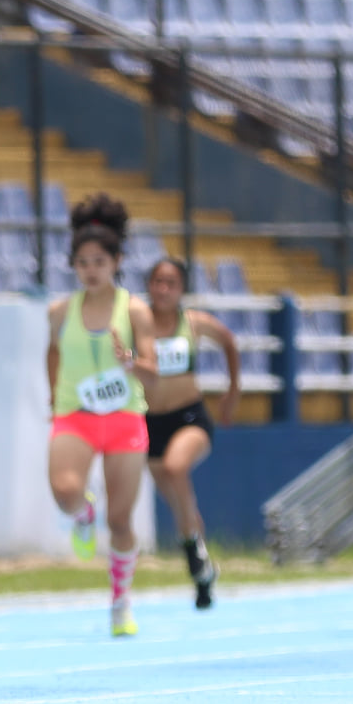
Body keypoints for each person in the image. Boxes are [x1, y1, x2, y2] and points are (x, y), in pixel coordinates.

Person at [46, 195, 158, 637]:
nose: (90, 269)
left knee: (122, 521)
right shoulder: (59, 312)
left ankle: (121, 603)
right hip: (76, 413)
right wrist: (55, 399)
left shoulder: (134, 311)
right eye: (82, 262)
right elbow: (51, 352)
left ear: (117, 262)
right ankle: (82, 513)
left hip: (125, 417)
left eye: (99, 261)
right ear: (74, 266)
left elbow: (152, 371)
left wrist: (129, 359)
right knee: (64, 491)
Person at [140, 257, 240, 609]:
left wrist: (231, 392)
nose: (163, 290)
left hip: (189, 418)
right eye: (157, 282)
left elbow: (229, 341)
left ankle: (192, 552)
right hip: (150, 422)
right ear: (149, 285)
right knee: (181, 506)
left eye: (171, 283)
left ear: (181, 288)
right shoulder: (138, 324)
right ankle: (202, 569)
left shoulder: (193, 323)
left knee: (175, 467)